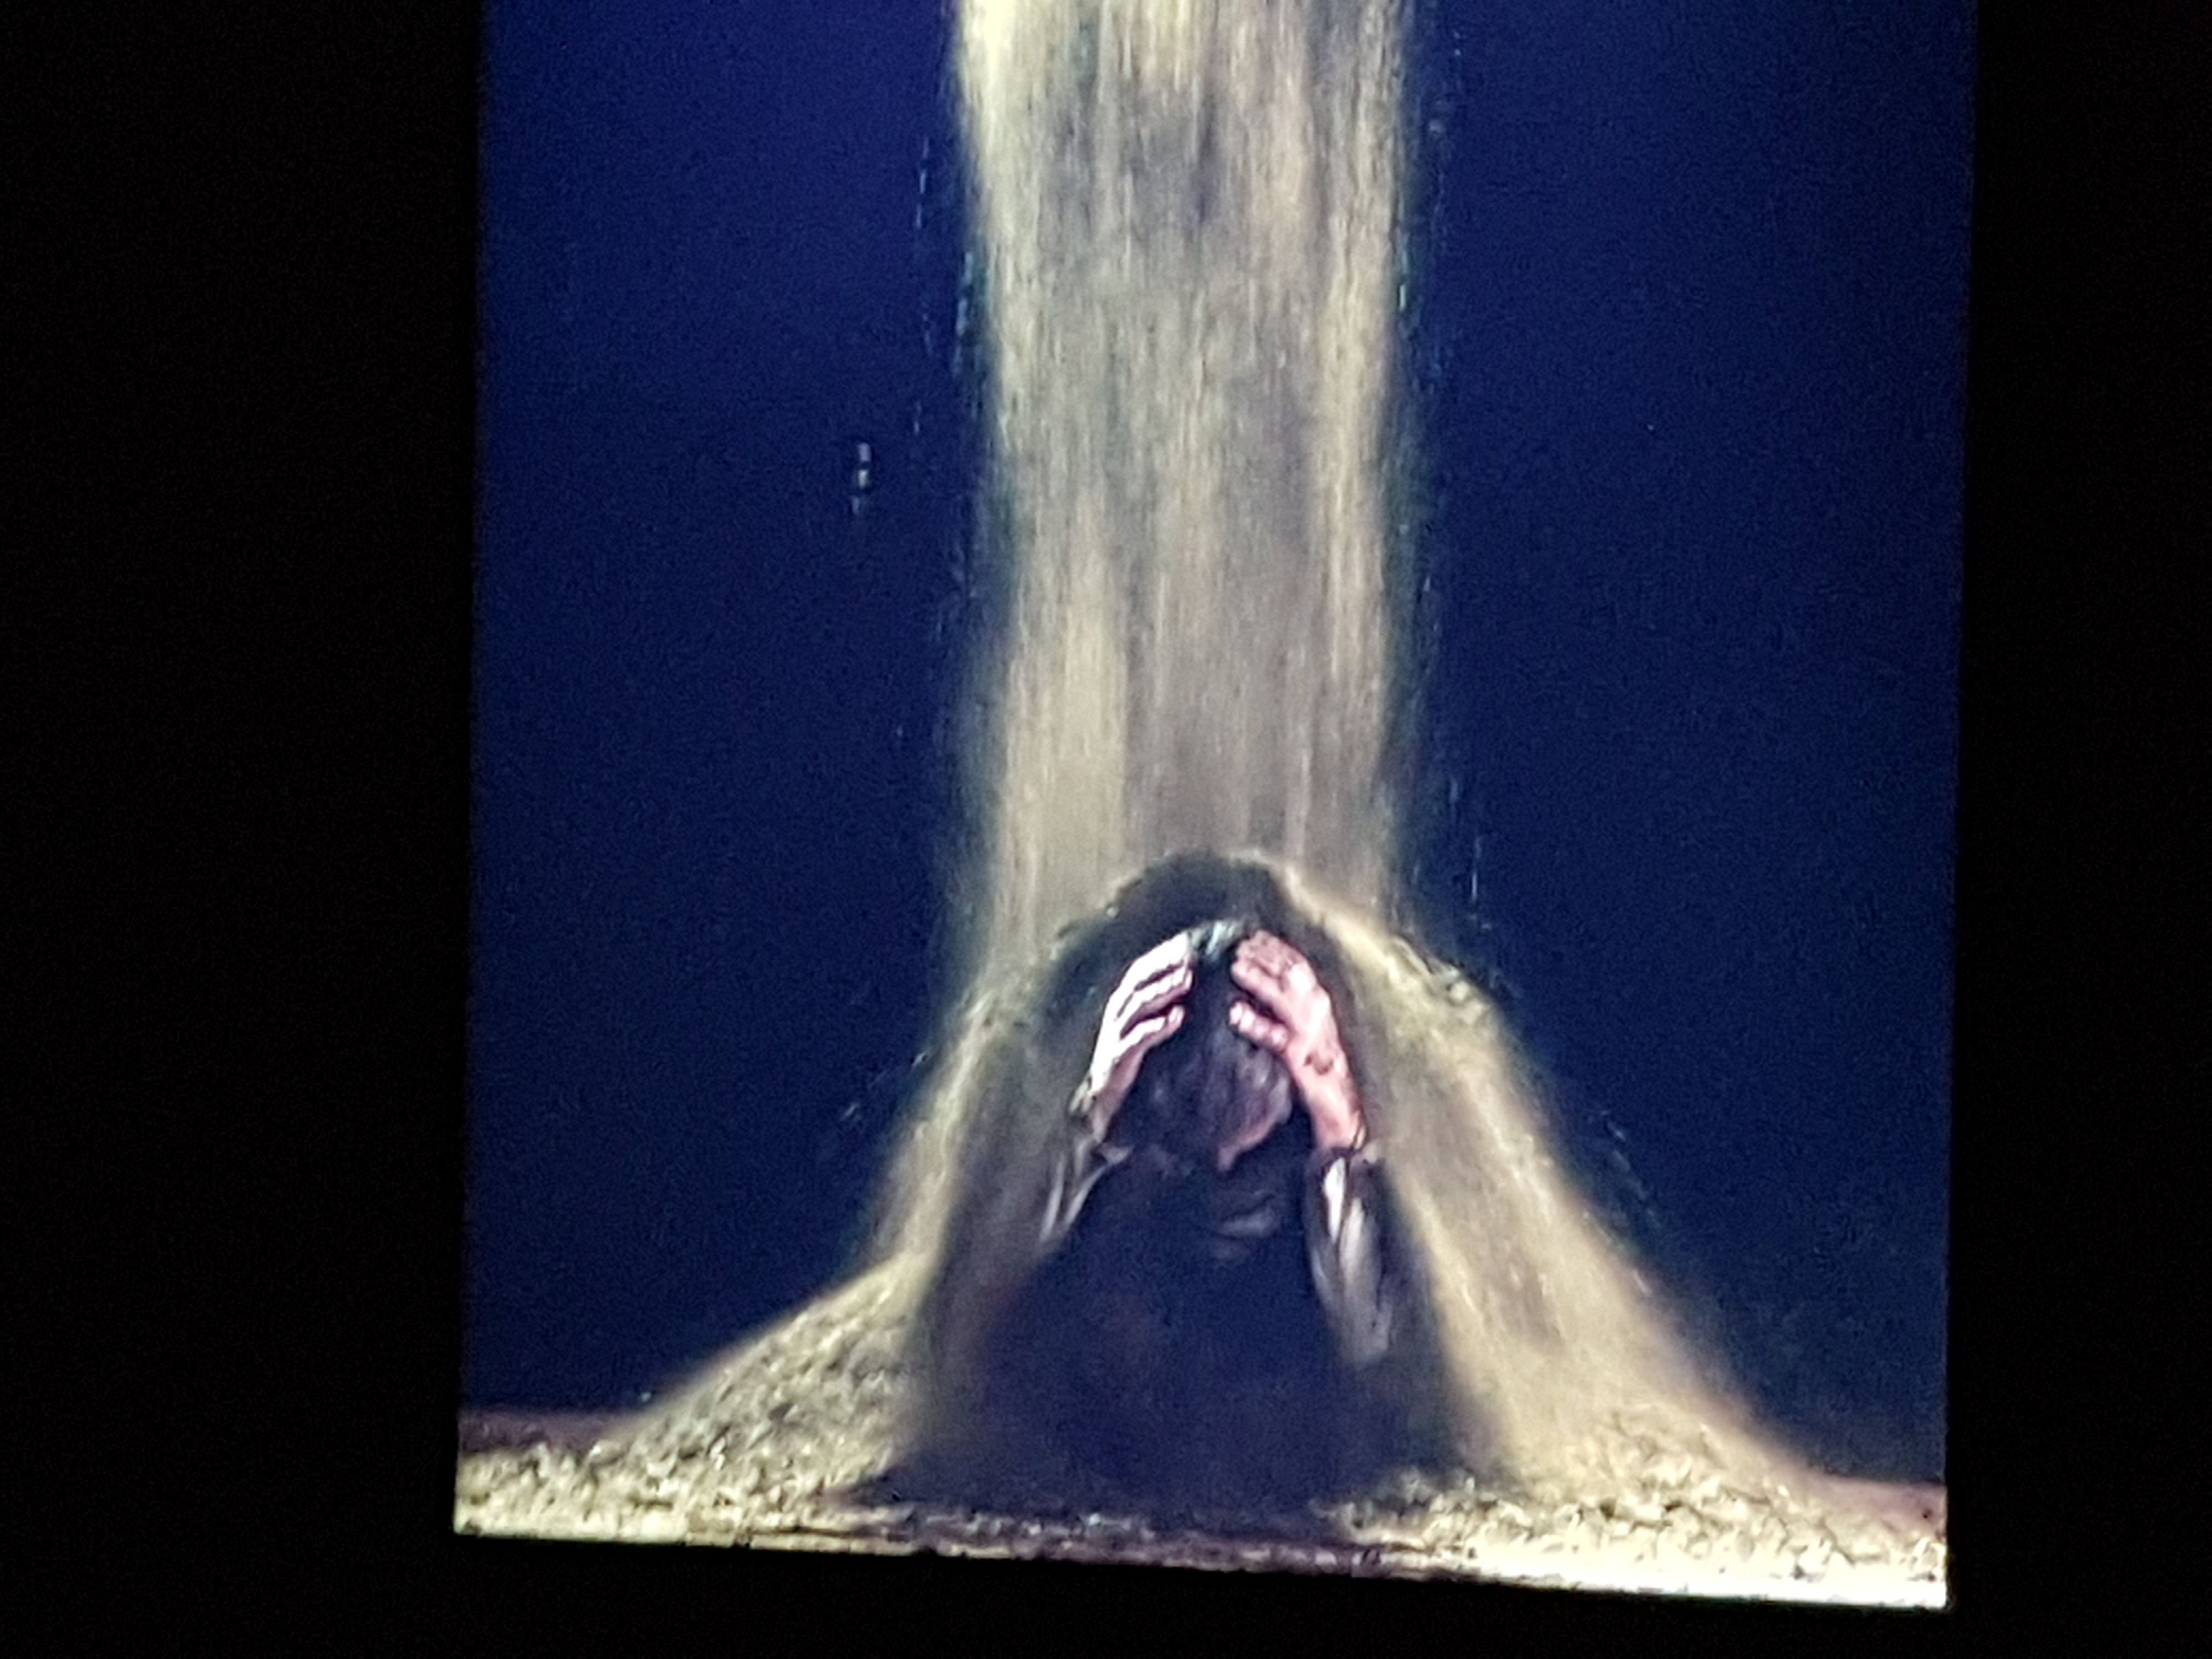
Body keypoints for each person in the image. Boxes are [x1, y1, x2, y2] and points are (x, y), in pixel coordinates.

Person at [891, 857, 1451, 1512]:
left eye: (1243, 1152)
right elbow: (982, 1299)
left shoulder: (1320, 1134)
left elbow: (1377, 1347)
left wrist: (1340, 1131)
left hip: (1284, 1410)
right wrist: (1092, 1119)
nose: (1223, 1168)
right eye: (1202, 1151)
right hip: (1113, 1424)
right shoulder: (1116, 1157)